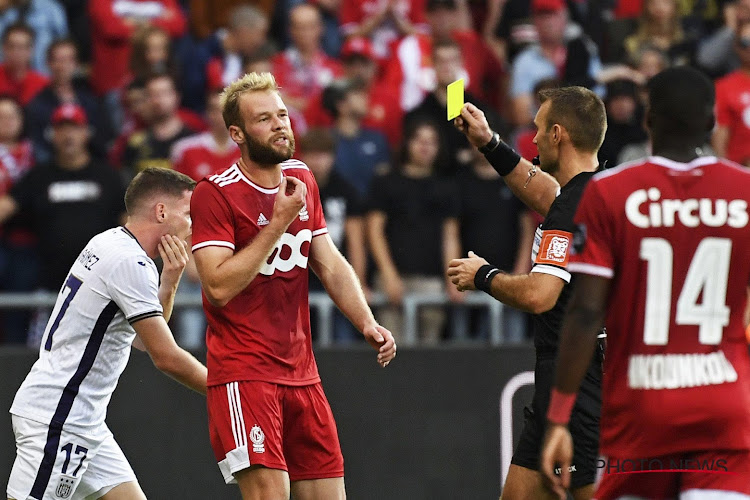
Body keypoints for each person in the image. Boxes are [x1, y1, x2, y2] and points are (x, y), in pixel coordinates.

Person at [540, 68, 750, 500]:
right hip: (724, 406)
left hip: (642, 408)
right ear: (713, 122)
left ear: (647, 119)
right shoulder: (744, 193)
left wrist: (559, 418)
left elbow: (584, 312)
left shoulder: (610, 192)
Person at [190, 72, 396, 499]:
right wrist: (279, 220)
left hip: (303, 373)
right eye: (264, 119)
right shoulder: (215, 193)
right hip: (245, 374)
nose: (280, 124)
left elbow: (329, 261)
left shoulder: (301, 176)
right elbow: (217, 286)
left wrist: (366, 321)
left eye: (282, 114)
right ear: (238, 134)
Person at [6, 167, 208, 500]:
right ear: (161, 212)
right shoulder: (130, 263)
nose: (192, 225)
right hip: (60, 419)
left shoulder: (110, 241)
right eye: (188, 214)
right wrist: (231, 393)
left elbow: (141, 341)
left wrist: (169, 281)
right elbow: (166, 356)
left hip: (82, 421)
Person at [446, 86, 607, 499]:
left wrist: (484, 275)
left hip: (580, 380)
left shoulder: (572, 207)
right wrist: (489, 142)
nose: (531, 139)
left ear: (558, 134)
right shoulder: (590, 192)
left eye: (538, 129)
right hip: (564, 377)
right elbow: (546, 193)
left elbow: (541, 294)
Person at [368, 118, 462, 344]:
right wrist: (388, 275)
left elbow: (450, 236)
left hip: (431, 281)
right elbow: (374, 231)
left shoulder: (446, 187)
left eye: (431, 142)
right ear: (407, 143)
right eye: (419, 140)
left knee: (428, 355)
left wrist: (454, 278)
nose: (425, 146)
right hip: (391, 278)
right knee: (390, 350)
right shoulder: (386, 182)